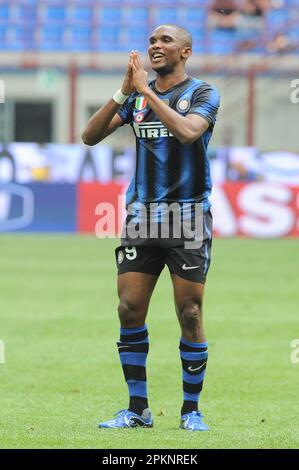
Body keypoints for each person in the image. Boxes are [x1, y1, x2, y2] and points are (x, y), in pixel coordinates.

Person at [82, 24, 220, 431]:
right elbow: (89, 137)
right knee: (128, 309)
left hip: (188, 218)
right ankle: (137, 409)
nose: (155, 47)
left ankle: (190, 411)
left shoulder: (202, 93)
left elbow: (188, 131)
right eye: (152, 42)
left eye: (165, 42)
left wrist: (144, 92)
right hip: (141, 219)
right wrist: (124, 92)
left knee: (190, 312)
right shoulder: (137, 99)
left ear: (186, 52)